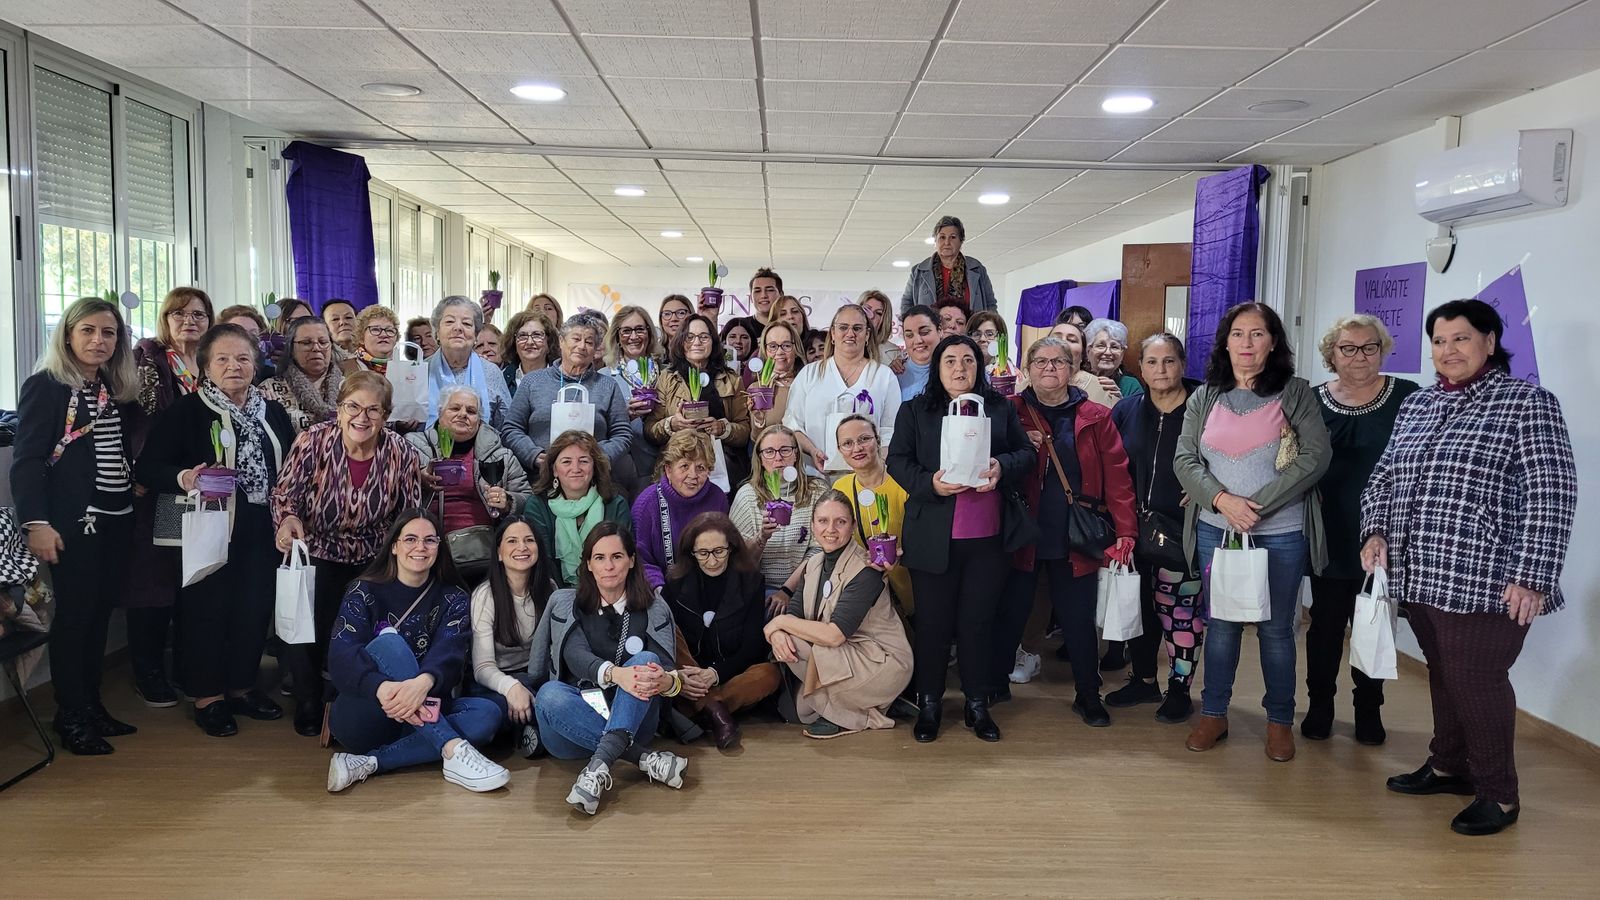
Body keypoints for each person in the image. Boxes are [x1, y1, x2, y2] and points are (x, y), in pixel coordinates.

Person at [1362, 299, 1576, 836]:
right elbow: (1384, 477)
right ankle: (1448, 763)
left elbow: (1551, 495)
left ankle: (1499, 795)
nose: (1447, 351)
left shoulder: (1526, 403)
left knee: (1476, 680)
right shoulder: (1419, 405)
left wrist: (1533, 574)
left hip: (1489, 578)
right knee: (1445, 674)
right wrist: (1376, 530)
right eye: (1438, 341)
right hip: (1421, 571)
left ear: (1489, 341)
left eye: (1460, 339)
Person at [1174, 302, 1331, 763]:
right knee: (1219, 625)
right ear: (1225, 342)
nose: (1246, 343)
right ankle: (1214, 714)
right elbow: (1185, 460)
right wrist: (1223, 502)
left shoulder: (1296, 393)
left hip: (1280, 531)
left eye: (1257, 334)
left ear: (1273, 342)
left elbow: (1315, 458)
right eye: (1238, 334)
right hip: (1215, 531)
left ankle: (1280, 722)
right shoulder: (1205, 396)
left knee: (1276, 630)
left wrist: (1255, 507)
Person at [135, 324, 296, 736]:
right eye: (222, 359)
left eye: (242, 358)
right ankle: (207, 696)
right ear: (206, 366)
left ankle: (242, 687)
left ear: (256, 363)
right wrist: (187, 476)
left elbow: (293, 467)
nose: (233, 366)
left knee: (254, 608)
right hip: (208, 525)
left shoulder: (273, 411)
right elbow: (149, 469)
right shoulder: (186, 411)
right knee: (206, 610)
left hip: (264, 527)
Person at [887, 334, 1033, 743]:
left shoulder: (1001, 408)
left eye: (967, 360)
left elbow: (1026, 454)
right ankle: (930, 702)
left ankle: (976, 704)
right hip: (933, 536)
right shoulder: (916, 410)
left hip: (987, 538)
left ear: (979, 366)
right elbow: (897, 460)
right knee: (933, 625)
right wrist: (929, 483)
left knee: (977, 624)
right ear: (936, 367)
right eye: (949, 360)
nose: (958, 368)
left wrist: (1001, 467)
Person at [12, 297, 142, 755]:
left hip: (116, 517)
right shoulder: (45, 386)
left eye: (108, 333)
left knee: (101, 616)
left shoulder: (113, 387)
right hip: (74, 522)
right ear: (67, 334)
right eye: (88, 330)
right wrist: (36, 523)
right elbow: (26, 462)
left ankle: (92, 707)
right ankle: (71, 716)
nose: (98, 341)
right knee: (76, 618)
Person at [272, 371, 424, 736]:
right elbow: (285, 493)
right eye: (353, 406)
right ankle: (308, 698)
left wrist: (405, 555)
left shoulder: (401, 452)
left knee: (356, 633)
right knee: (306, 628)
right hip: (316, 549)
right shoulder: (313, 441)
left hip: (372, 554)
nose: (362, 417)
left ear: (386, 416)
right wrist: (288, 519)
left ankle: (345, 697)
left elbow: (409, 511)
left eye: (374, 410)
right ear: (338, 410)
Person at [994, 336, 1136, 723]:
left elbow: (1118, 477)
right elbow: (992, 462)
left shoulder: (1095, 415)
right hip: (1021, 532)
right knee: (1012, 613)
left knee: (1077, 619)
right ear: (1027, 368)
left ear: (1073, 370)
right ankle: (993, 686)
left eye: (1059, 362)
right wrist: (1022, 445)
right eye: (1041, 362)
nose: (1050, 368)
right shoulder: (1009, 411)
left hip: (1075, 534)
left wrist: (1126, 531)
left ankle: (1088, 694)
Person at [324, 510, 508, 794]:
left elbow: (451, 655)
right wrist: (381, 687)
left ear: (439, 548)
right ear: (394, 546)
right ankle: (451, 748)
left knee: (488, 714)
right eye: (410, 539)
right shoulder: (363, 590)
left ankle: (369, 763)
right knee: (389, 643)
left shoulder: (454, 598)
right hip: (367, 711)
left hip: (425, 711)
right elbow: (341, 656)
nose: (420, 547)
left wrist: (421, 685)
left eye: (430, 540)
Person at [1302, 315, 1419, 745]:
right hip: (1328, 530)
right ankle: (1320, 707)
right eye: (1348, 348)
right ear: (1331, 354)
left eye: (1369, 347)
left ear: (1382, 350)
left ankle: (1369, 709)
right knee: (1325, 626)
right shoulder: (1312, 400)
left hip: (1384, 534)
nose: (1359, 356)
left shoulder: (1408, 397)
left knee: (1373, 622)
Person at [527, 523, 691, 816]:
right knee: (549, 695)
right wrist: (618, 675)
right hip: (568, 727)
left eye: (617, 556)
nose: (609, 566)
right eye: (599, 558)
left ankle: (597, 770)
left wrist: (665, 681)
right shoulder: (567, 603)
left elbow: (668, 672)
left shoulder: (654, 607)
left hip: (635, 720)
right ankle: (644, 760)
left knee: (644, 661)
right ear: (588, 564)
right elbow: (575, 656)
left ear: (631, 560)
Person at [1106, 334, 1204, 722]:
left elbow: (1225, 455)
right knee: (1139, 608)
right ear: (1141, 367)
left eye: (1168, 362)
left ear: (1182, 364)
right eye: (1151, 362)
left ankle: (1180, 689)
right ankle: (1144, 680)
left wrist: (1206, 488)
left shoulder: (1203, 410)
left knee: (1179, 612)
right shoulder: (1126, 410)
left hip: (1181, 530)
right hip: (1131, 528)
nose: (1160, 370)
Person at [764, 489, 914, 739]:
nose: (830, 529)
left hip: (879, 661)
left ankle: (870, 712)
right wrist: (778, 630)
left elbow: (834, 636)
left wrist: (778, 623)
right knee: (798, 712)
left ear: (853, 526)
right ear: (813, 525)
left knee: (796, 648)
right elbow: (795, 613)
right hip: (841, 656)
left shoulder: (867, 569)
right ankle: (870, 703)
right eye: (823, 521)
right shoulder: (813, 564)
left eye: (840, 522)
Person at [127, 286, 215, 708]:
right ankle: (148, 672)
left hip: (208, 490)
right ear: (165, 320)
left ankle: (187, 668)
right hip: (159, 487)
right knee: (155, 583)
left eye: (198, 314)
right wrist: (142, 471)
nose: (189, 321)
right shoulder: (148, 362)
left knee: (194, 580)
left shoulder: (216, 362)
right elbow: (137, 422)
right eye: (178, 314)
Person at [664, 512, 781, 749]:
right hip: (689, 673)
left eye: (719, 551)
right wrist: (693, 676)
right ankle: (717, 714)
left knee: (770, 673)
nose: (712, 560)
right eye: (703, 553)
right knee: (669, 632)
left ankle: (707, 707)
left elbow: (752, 646)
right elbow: (669, 644)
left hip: (730, 673)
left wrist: (715, 673)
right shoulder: (675, 584)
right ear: (692, 553)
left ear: (732, 548)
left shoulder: (751, 582)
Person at [407, 385, 531, 580]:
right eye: (455, 408)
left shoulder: (501, 455)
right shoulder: (413, 447)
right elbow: (391, 489)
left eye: (471, 411)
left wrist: (508, 501)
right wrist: (416, 479)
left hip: (480, 553)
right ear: (440, 412)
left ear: (479, 420)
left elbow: (527, 498)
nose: (463, 414)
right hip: (425, 547)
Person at [469, 514, 558, 759]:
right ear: (498, 553)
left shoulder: (549, 589)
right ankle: (530, 726)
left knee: (557, 697)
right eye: (512, 541)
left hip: (536, 675)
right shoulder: (485, 596)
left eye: (529, 540)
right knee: (493, 711)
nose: (522, 547)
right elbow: (482, 667)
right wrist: (511, 687)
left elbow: (556, 651)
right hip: (494, 681)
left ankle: (529, 726)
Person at [503, 315, 632, 477]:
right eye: (576, 339)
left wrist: (601, 457)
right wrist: (533, 454)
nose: (582, 346)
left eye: (589, 342)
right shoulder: (532, 382)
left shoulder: (607, 386)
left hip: (592, 478)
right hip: (541, 476)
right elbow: (511, 428)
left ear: (595, 349)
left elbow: (623, 434)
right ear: (561, 341)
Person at [783, 305, 901, 477]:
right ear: (832, 333)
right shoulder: (809, 374)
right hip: (816, 476)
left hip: (866, 479)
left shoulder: (883, 376)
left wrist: (877, 464)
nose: (850, 333)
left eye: (857, 328)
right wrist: (813, 451)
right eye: (843, 327)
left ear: (867, 335)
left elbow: (890, 428)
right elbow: (792, 424)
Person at [645, 313, 751, 487]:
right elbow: (650, 429)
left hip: (722, 464)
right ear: (680, 341)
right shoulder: (667, 378)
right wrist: (672, 424)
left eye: (704, 336)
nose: (697, 342)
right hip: (679, 464)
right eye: (690, 337)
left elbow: (745, 431)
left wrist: (722, 428)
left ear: (713, 342)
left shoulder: (731, 379)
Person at [524, 430, 632, 589]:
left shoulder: (615, 505)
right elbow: (543, 563)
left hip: (608, 591)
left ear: (594, 467)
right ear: (554, 469)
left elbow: (622, 558)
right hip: (554, 594)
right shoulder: (537, 506)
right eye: (566, 462)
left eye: (583, 461)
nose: (576, 468)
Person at [831, 414, 914, 618]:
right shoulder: (840, 488)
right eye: (847, 443)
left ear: (878, 440)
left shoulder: (904, 481)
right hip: (866, 593)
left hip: (908, 586)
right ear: (840, 451)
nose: (857, 448)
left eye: (864, 439)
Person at [729, 425, 825, 592]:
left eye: (785, 450)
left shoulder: (817, 491)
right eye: (769, 451)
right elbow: (738, 561)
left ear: (796, 454)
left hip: (807, 583)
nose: (778, 458)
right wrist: (762, 538)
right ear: (760, 457)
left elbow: (820, 550)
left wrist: (788, 590)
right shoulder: (747, 496)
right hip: (761, 586)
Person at [630, 430, 730, 590]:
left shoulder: (717, 498)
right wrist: (660, 590)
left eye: (701, 467)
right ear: (668, 470)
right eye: (684, 466)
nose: (693, 475)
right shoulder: (646, 504)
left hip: (708, 584)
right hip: (661, 589)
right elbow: (641, 560)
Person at [601, 305, 662, 494]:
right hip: (619, 471)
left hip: (659, 465)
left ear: (650, 333)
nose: (633, 337)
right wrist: (623, 415)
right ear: (617, 336)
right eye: (626, 331)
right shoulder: (603, 376)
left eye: (639, 329)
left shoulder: (665, 373)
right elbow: (597, 427)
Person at [426, 296, 512, 428]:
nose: (458, 328)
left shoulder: (491, 372)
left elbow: (506, 425)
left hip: (483, 446)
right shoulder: (421, 371)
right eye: (449, 322)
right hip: (425, 446)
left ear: (476, 335)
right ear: (437, 332)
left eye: (466, 323)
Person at [899, 215, 997, 314]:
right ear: (935, 241)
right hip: (931, 329)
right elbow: (906, 303)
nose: (947, 242)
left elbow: (990, 305)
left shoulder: (977, 269)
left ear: (961, 241)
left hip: (970, 328)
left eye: (953, 237)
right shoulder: (918, 271)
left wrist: (990, 327)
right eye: (942, 237)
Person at [261, 317, 344, 433]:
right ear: (291, 348)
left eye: (323, 342)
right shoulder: (269, 390)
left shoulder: (350, 386)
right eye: (306, 343)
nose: (316, 348)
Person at [748, 320, 802, 433]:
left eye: (786, 345)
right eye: (773, 346)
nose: (779, 352)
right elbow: (755, 440)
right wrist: (759, 419)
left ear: (796, 349)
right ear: (765, 351)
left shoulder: (806, 384)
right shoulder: (756, 388)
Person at [1050, 319, 1119, 408]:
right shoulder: (1029, 383)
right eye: (1055, 339)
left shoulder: (1104, 390)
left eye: (1072, 340)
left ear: (1083, 353)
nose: (1063, 343)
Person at [498, 310, 558, 396]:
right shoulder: (503, 378)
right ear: (513, 343)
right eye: (522, 336)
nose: (530, 342)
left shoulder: (561, 376)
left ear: (549, 341)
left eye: (537, 335)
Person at [1084, 318, 1142, 399]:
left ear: (1122, 354)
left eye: (1114, 347)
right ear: (1088, 351)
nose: (1108, 352)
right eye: (1101, 346)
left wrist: (1121, 403)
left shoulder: (1131, 385)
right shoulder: (1077, 380)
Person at [895, 305, 939, 401]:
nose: (918, 340)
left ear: (940, 331)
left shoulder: (954, 371)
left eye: (924, 332)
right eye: (909, 335)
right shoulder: (893, 375)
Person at [344, 305, 403, 375]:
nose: (384, 335)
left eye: (390, 330)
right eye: (375, 329)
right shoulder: (344, 368)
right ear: (361, 337)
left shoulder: (406, 369)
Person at [967, 310, 1018, 386]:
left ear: (1001, 338)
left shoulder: (1010, 372)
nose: (982, 339)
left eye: (990, 334)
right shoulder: (963, 368)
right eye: (976, 334)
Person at [859, 289, 900, 366]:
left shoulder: (894, 353)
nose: (871, 316)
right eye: (867, 309)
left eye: (878, 313)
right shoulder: (843, 343)